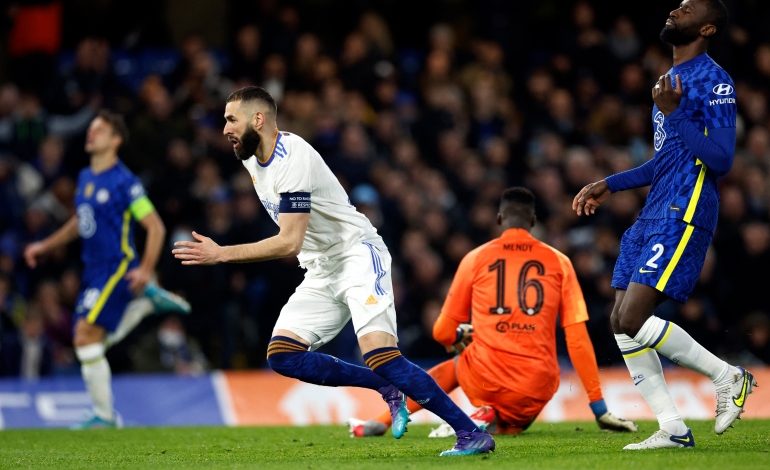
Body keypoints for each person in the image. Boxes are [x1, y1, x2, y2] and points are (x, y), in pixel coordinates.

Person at [171, 86, 494, 456]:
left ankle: (469, 433)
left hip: (356, 254)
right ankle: (385, 386)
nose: (225, 128)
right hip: (322, 267)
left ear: (258, 119)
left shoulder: (292, 157)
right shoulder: (251, 158)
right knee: (283, 355)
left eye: (231, 119)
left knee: (380, 353)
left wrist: (222, 254)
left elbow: (289, 242)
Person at [572, 0, 755, 450]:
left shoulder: (715, 81)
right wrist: (610, 183)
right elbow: (666, 160)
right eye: (677, 5)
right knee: (620, 321)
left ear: (707, 28)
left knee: (634, 316)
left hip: (686, 206)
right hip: (655, 207)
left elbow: (721, 160)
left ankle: (728, 376)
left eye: (688, 9)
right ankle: (672, 427)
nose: (676, 9)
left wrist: (674, 113)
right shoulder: (667, 82)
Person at [350, 188, 637, 438]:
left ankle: (383, 420)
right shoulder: (560, 262)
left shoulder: (475, 258)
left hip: (487, 378)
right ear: (533, 221)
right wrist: (598, 406)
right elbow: (577, 339)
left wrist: (463, 334)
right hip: (538, 385)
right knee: (514, 424)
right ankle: (491, 417)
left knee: (456, 365)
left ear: (499, 219)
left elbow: (441, 332)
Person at [24, 110, 191, 429]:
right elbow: (81, 221)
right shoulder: (86, 177)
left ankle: (104, 416)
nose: (91, 133)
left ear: (116, 140)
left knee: (84, 334)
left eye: (99, 130)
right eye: (90, 129)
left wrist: (145, 270)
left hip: (118, 265)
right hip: (92, 269)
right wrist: (45, 246)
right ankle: (143, 306)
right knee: (88, 342)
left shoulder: (124, 182)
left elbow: (155, 227)